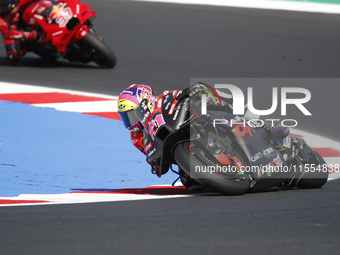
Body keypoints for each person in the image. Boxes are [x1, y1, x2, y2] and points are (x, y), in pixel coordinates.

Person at [117, 83, 289, 190]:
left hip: (196, 121)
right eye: (126, 117)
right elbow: (157, 163)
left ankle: (265, 124)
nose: (131, 122)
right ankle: (216, 172)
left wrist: (190, 92)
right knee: (190, 182)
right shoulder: (136, 137)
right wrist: (156, 163)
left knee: (213, 98)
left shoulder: (163, 98)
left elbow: (180, 97)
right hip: (181, 147)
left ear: (145, 103)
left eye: (133, 115)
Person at [0, 0, 38, 64]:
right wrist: (27, 35)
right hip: (13, 29)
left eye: (5, 7)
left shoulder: (22, 1)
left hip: (29, 19)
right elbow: (7, 33)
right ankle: (27, 47)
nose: (2, 10)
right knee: (12, 57)